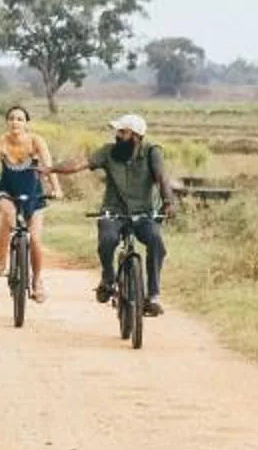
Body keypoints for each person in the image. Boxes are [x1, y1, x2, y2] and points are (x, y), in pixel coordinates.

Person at [57, 111, 178, 315]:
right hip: (113, 211)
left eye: (123, 132)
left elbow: (161, 177)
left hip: (144, 213)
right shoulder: (108, 151)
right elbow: (79, 165)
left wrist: (168, 202)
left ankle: (153, 296)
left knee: (156, 242)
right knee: (107, 239)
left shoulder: (152, 152)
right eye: (118, 132)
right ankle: (108, 278)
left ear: (136, 136)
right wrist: (50, 169)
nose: (118, 136)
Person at [0, 103, 63, 299]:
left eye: (19, 119)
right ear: (6, 122)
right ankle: (2, 262)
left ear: (26, 123)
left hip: (33, 193)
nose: (15, 122)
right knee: (8, 215)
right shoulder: (2, 141)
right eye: (11, 118)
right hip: (7, 190)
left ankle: (37, 281)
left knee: (35, 239)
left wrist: (56, 188)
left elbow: (48, 166)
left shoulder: (36, 141)